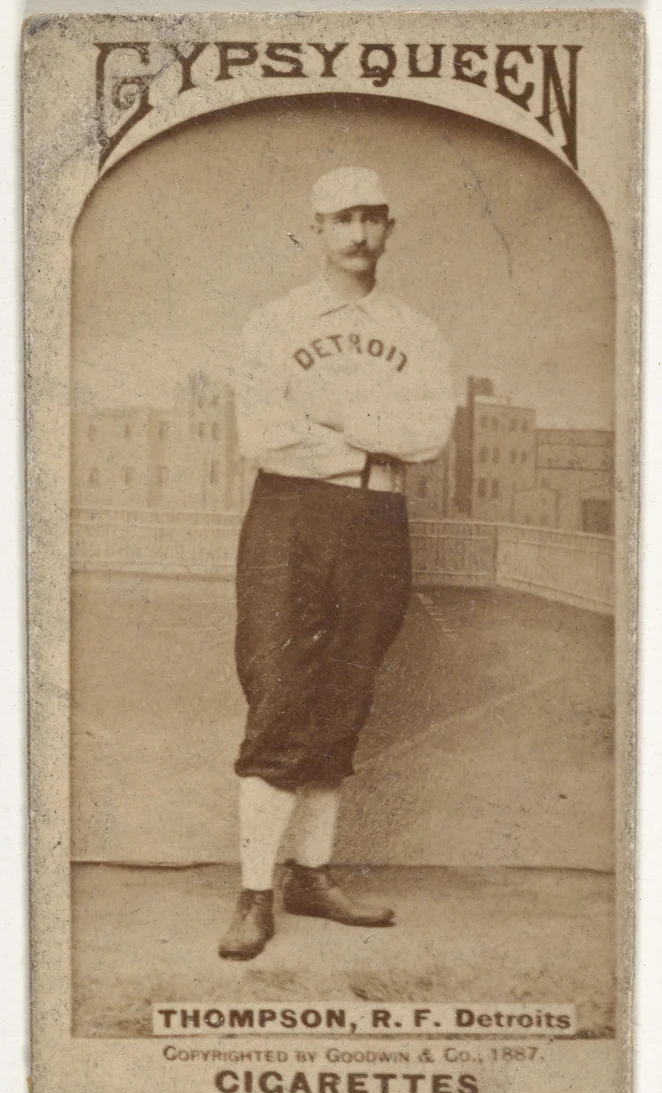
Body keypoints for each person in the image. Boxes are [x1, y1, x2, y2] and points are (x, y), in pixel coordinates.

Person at [219, 167, 454, 960]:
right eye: (342, 219)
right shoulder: (274, 322)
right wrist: (369, 434)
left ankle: (311, 878)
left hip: (379, 517)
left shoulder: (417, 329)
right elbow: (262, 434)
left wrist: (341, 421)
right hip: (291, 517)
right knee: (283, 692)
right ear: (316, 229)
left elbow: (427, 437)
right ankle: (255, 892)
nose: (358, 234)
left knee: (345, 693)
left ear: (391, 229)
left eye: (373, 219)